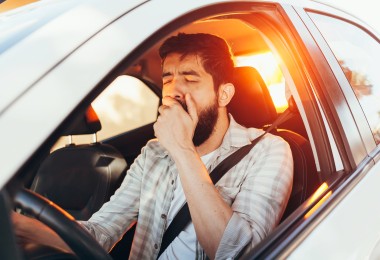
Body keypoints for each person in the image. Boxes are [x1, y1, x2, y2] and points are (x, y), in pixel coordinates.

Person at [13, 33, 293, 259]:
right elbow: (100, 233)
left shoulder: (268, 151)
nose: (174, 90)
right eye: (168, 78)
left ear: (223, 93)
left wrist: (183, 150)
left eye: (190, 78)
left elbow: (239, 253)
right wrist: (16, 225)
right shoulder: (154, 153)